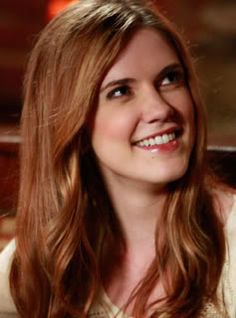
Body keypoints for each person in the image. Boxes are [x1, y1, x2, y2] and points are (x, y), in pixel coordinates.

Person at [0, 0, 235, 317]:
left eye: (169, 79)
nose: (160, 109)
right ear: (74, 124)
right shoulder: (39, 259)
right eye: (120, 91)